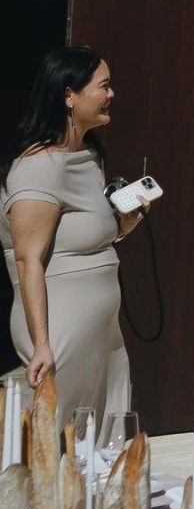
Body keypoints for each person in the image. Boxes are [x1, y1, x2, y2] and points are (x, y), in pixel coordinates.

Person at [1, 47, 141, 420]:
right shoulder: (38, 167)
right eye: (104, 86)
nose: (111, 95)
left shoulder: (89, 157)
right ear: (68, 94)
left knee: (99, 445)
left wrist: (128, 220)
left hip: (102, 331)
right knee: (58, 439)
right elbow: (28, 258)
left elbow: (88, 240)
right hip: (62, 328)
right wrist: (42, 344)